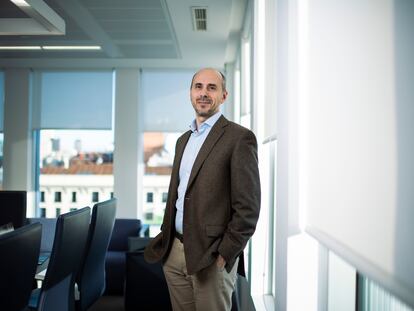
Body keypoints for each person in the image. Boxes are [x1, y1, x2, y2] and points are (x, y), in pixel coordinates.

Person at [144, 68, 261, 311]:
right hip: (174, 252)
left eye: (211, 87)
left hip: (211, 257)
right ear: (190, 93)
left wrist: (225, 254)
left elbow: (248, 209)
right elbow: (178, 194)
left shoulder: (239, 138)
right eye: (198, 87)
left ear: (224, 95)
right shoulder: (183, 140)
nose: (204, 93)